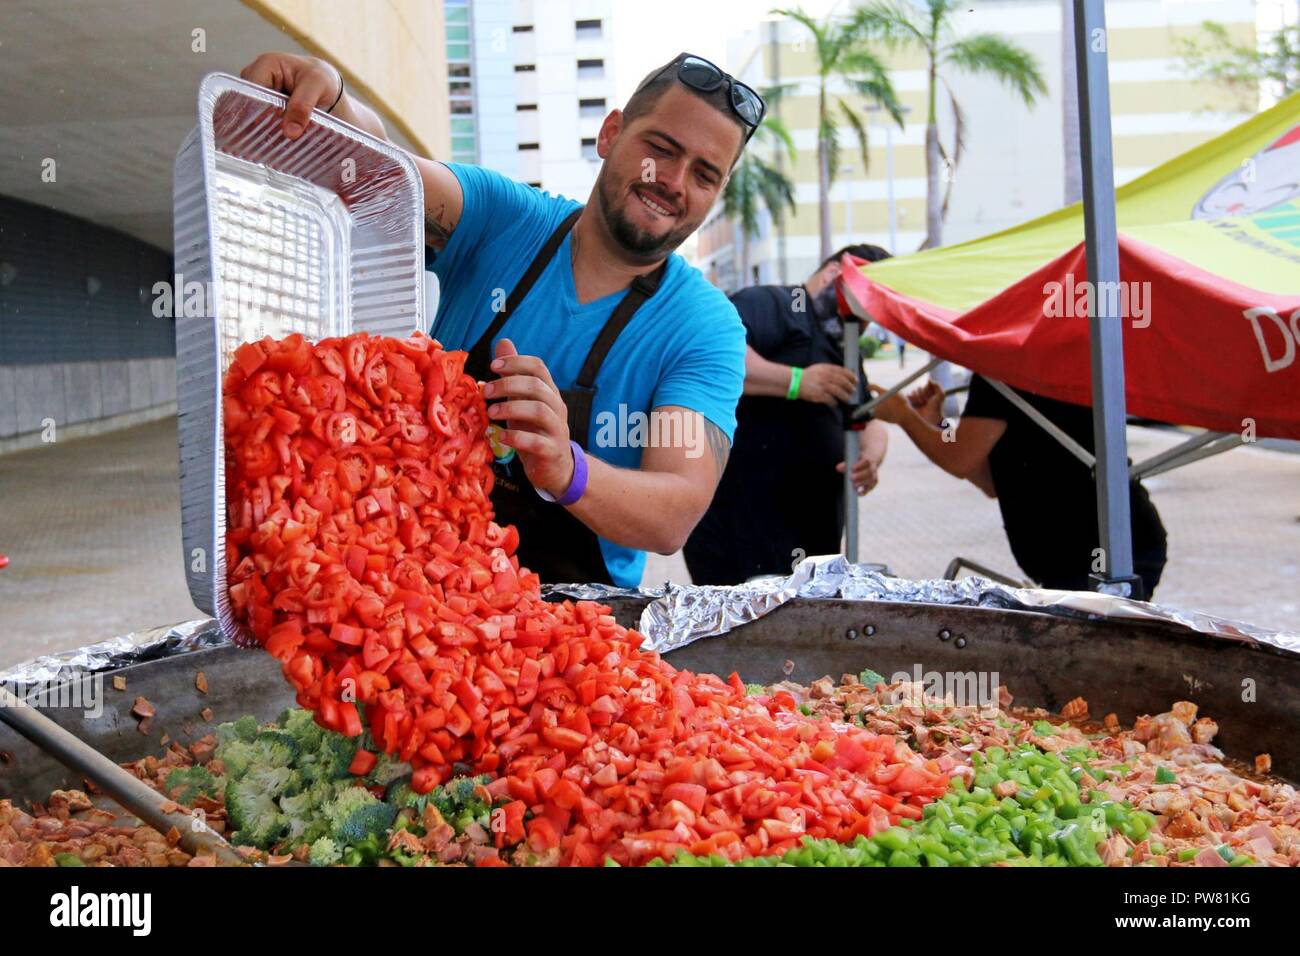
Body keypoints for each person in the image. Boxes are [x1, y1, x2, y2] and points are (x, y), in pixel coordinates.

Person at [240, 52, 764, 587]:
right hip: (405, 587)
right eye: (661, 149)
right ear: (610, 134)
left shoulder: (703, 326)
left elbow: (674, 512)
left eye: (704, 174)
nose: (674, 181)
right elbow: (384, 169)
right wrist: (331, 99)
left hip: (566, 629)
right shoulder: (506, 221)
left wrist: (565, 467)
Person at [683, 245, 892, 584]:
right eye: (865, 302)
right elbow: (714, 353)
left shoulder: (844, 346)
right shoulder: (775, 303)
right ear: (832, 274)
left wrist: (871, 455)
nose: (866, 319)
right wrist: (797, 381)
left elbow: (866, 416)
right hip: (741, 526)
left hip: (812, 535)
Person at [871, 375, 1168, 597]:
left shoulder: (1002, 373)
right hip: (1085, 554)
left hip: (1106, 553)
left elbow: (958, 458)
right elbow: (988, 479)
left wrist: (903, 415)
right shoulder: (1005, 376)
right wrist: (938, 426)